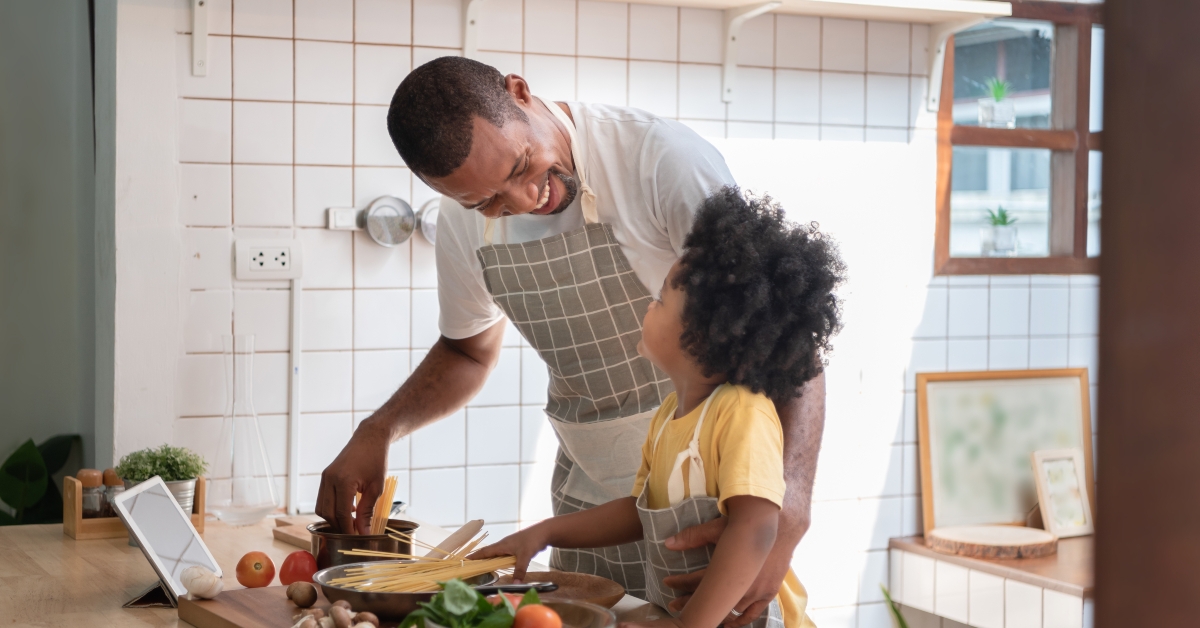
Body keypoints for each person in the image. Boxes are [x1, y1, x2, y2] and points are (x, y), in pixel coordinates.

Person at [315, 57, 828, 617]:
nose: (523, 200)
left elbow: (783, 331)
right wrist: (380, 428)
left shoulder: (662, 162)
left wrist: (791, 507)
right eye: (485, 201)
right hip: (594, 503)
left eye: (520, 166)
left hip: (706, 514)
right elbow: (468, 351)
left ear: (520, 93)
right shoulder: (462, 222)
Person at [470, 187, 843, 628]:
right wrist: (543, 533)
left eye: (662, 299)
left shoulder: (741, 413)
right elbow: (637, 511)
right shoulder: (669, 416)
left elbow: (756, 527)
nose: (649, 305)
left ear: (700, 339)